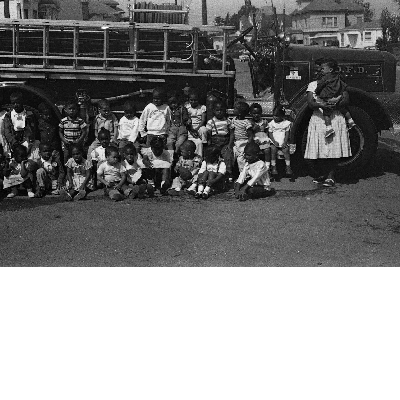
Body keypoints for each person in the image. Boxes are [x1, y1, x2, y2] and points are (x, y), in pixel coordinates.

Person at [305, 59, 352, 187]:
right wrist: (321, 105)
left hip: (334, 117)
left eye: (322, 69)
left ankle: (331, 176)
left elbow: (346, 99)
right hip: (319, 118)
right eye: (319, 70)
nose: (320, 72)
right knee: (320, 148)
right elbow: (310, 103)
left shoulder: (338, 83)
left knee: (332, 148)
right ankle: (323, 174)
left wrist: (334, 104)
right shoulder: (313, 85)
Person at [315, 58, 355, 138]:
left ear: (330, 70)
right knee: (343, 109)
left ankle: (329, 128)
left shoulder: (325, 78)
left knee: (326, 113)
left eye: (323, 69)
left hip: (327, 97)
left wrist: (317, 91)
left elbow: (320, 86)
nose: (321, 70)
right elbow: (344, 86)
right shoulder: (338, 77)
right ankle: (350, 120)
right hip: (337, 96)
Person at [205, 101, 234, 181]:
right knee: (213, 156)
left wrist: (230, 145)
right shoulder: (211, 122)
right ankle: (214, 173)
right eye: (217, 110)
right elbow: (209, 136)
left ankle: (228, 173)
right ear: (213, 111)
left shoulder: (227, 121)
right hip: (215, 144)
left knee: (228, 156)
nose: (219, 112)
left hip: (225, 143)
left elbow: (232, 133)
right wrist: (209, 145)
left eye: (221, 110)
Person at [2, 91, 37, 157]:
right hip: (14, 145)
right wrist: (15, 144)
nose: (15, 105)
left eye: (17, 103)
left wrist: (26, 142)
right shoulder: (8, 116)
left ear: (22, 102)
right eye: (13, 103)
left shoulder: (29, 114)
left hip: (27, 142)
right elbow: (7, 132)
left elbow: (31, 130)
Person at [268, 105, 293, 177]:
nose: (275, 117)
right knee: (273, 150)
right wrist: (273, 141)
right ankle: (273, 167)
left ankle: (288, 166)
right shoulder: (272, 124)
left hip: (283, 140)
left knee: (286, 150)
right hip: (274, 140)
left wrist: (285, 142)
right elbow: (270, 134)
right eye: (274, 115)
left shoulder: (286, 123)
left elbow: (287, 133)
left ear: (282, 116)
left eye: (277, 116)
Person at [231, 101, 254, 172]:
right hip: (235, 142)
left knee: (241, 160)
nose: (233, 110)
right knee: (231, 156)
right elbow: (232, 132)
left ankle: (244, 175)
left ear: (240, 113)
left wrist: (248, 145)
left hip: (243, 143)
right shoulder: (234, 120)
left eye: (235, 109)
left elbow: (250, 135)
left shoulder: (246, 122)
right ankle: (230, 174)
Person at [185, 89, 207, 156]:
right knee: (197, 142)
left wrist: (197, 128)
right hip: (191, 127)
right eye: (191, 100)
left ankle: (205, 145)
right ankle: (197, 157)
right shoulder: (187, 107)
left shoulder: (202, 107)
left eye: (195, 100)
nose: (193, 102)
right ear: (189, 100)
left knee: (204, 130)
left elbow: (203, 120)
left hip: (199, 126)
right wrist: (191, 129)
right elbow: (187, 119)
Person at [250, 103, 270, 170]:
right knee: (254, 152)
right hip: (255, 140)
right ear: (251, 114)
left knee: (267, 150)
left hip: (263, 139)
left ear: (261, 113)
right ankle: (256, 167)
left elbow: (267, 131)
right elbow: (250, 133)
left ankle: (267, 166)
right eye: (254, 113)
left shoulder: (264, 122)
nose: (256, 115)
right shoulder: (250, 123)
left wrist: (267, 138)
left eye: (258, 113)